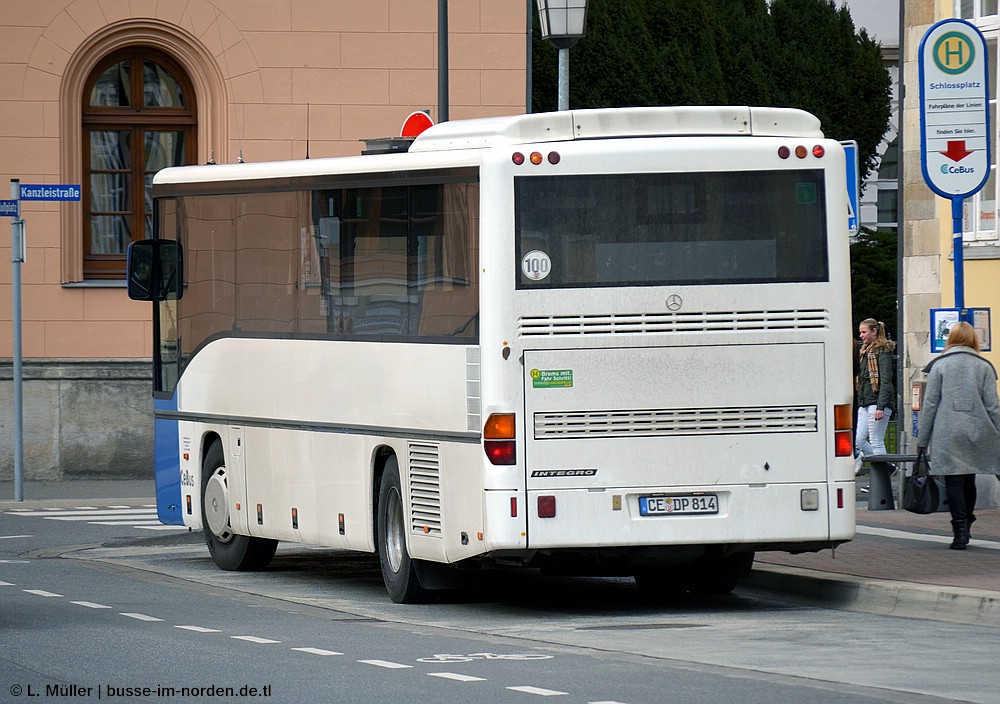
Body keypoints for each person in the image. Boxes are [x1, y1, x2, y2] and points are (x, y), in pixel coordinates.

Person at [916, 321, 1000, 550]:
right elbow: (993, 406)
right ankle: (968, 520)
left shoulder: (939, 366)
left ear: (950, 339)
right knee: (969, 478)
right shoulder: (984, 366)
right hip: (976, 430)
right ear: (973, 339)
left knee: (953, 480)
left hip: (948, 432)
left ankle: (959, 531)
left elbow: (930, 404)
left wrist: (922, 440)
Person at [855, 318, 895, 472]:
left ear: (874, 331)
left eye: (864, 332)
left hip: (878, 403)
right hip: (865, 402)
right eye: (861, 332)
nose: (861, 335)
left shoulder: (882, 351)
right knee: (859, 440)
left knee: (876, 440)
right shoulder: (865, 351)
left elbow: (886, 381)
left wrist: (880, 406)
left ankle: (881, 476)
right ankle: (887, 468)